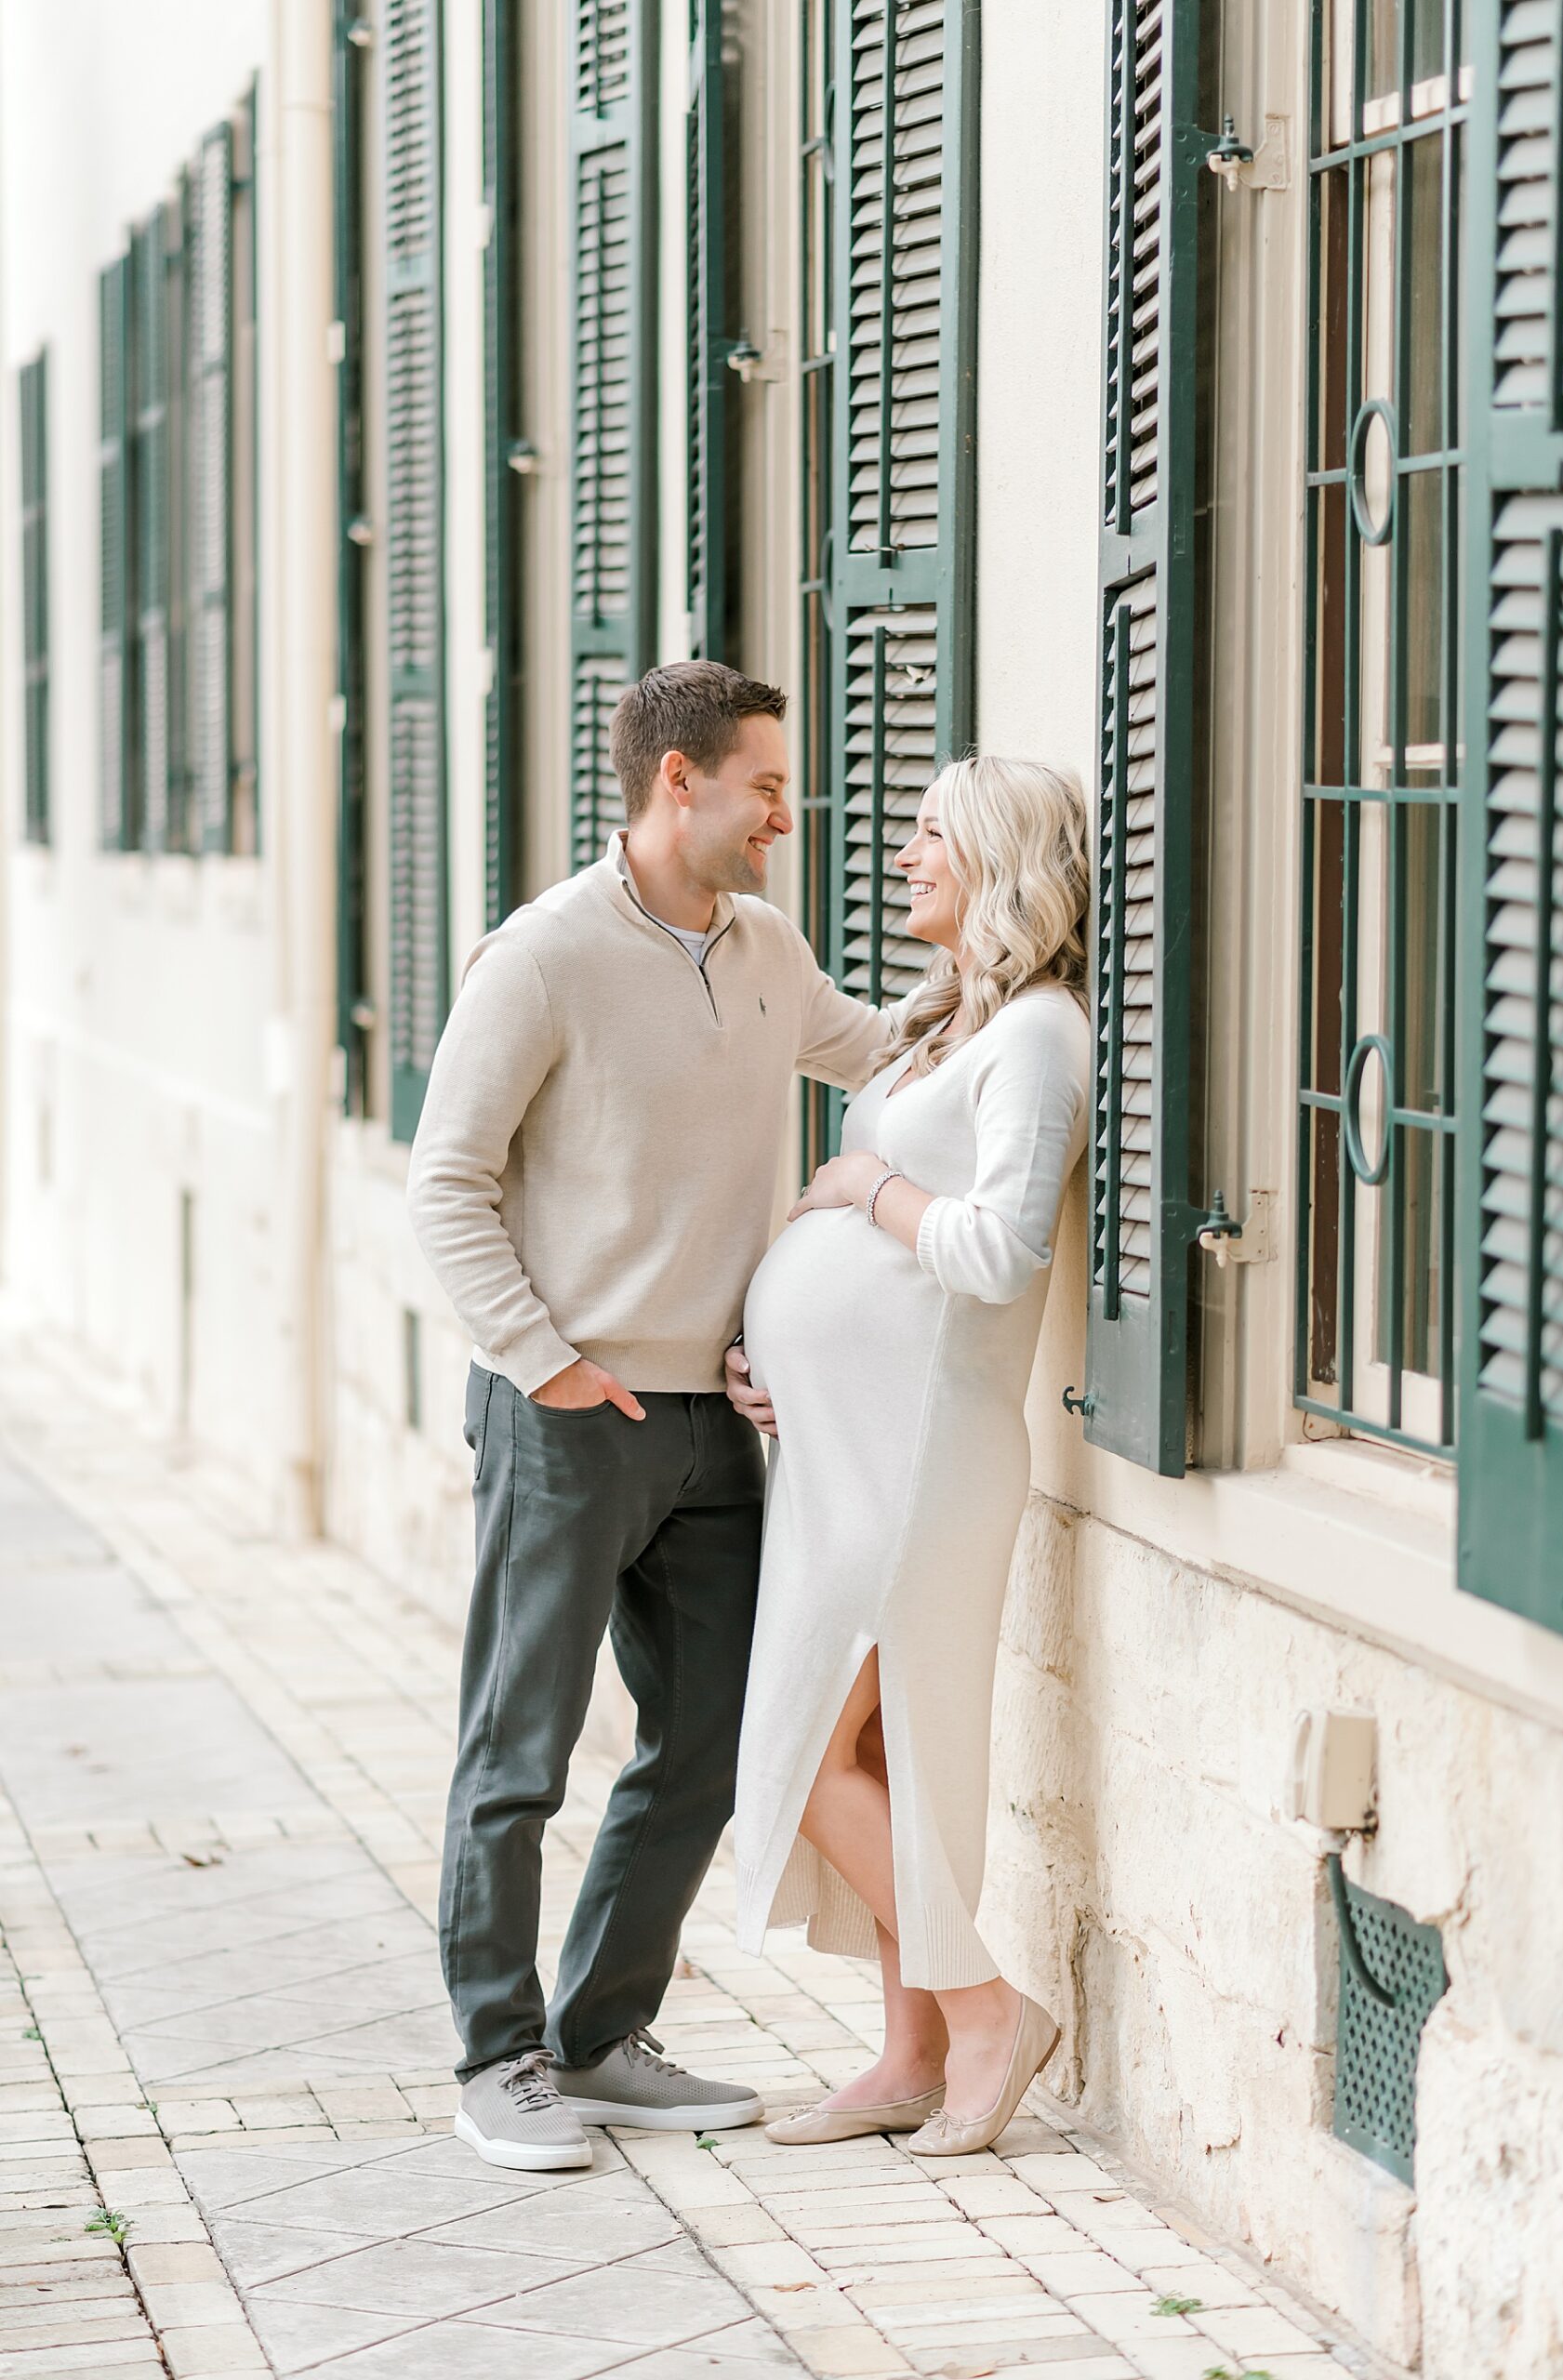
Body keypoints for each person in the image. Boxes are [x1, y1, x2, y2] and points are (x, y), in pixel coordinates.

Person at [407, 662, 891, 2171]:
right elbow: (445, 1183)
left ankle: (602, 2035)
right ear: (676, 784)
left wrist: (1021, 997)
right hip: (567, 1415)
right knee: (520, 1749)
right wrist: (543, 1361)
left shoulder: (763, 947)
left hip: (714, 1425)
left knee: (705, 1745)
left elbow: (881, 1054)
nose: (783, 810)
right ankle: (500, 2058)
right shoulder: (542, 957)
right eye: (762, 782)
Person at [724, 754, 1091, 2156]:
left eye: (929, 834)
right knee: (871, 1745)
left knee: (819, 1751)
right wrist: (779, 1351)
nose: (902, 854)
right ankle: (906, 2055)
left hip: (925, 1455)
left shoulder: (1037, 1037)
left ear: (995, 858)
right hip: (846, 1449)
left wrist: (860, 1188)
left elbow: (998, 1254)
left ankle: (990, 2011)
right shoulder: (944, 1026)